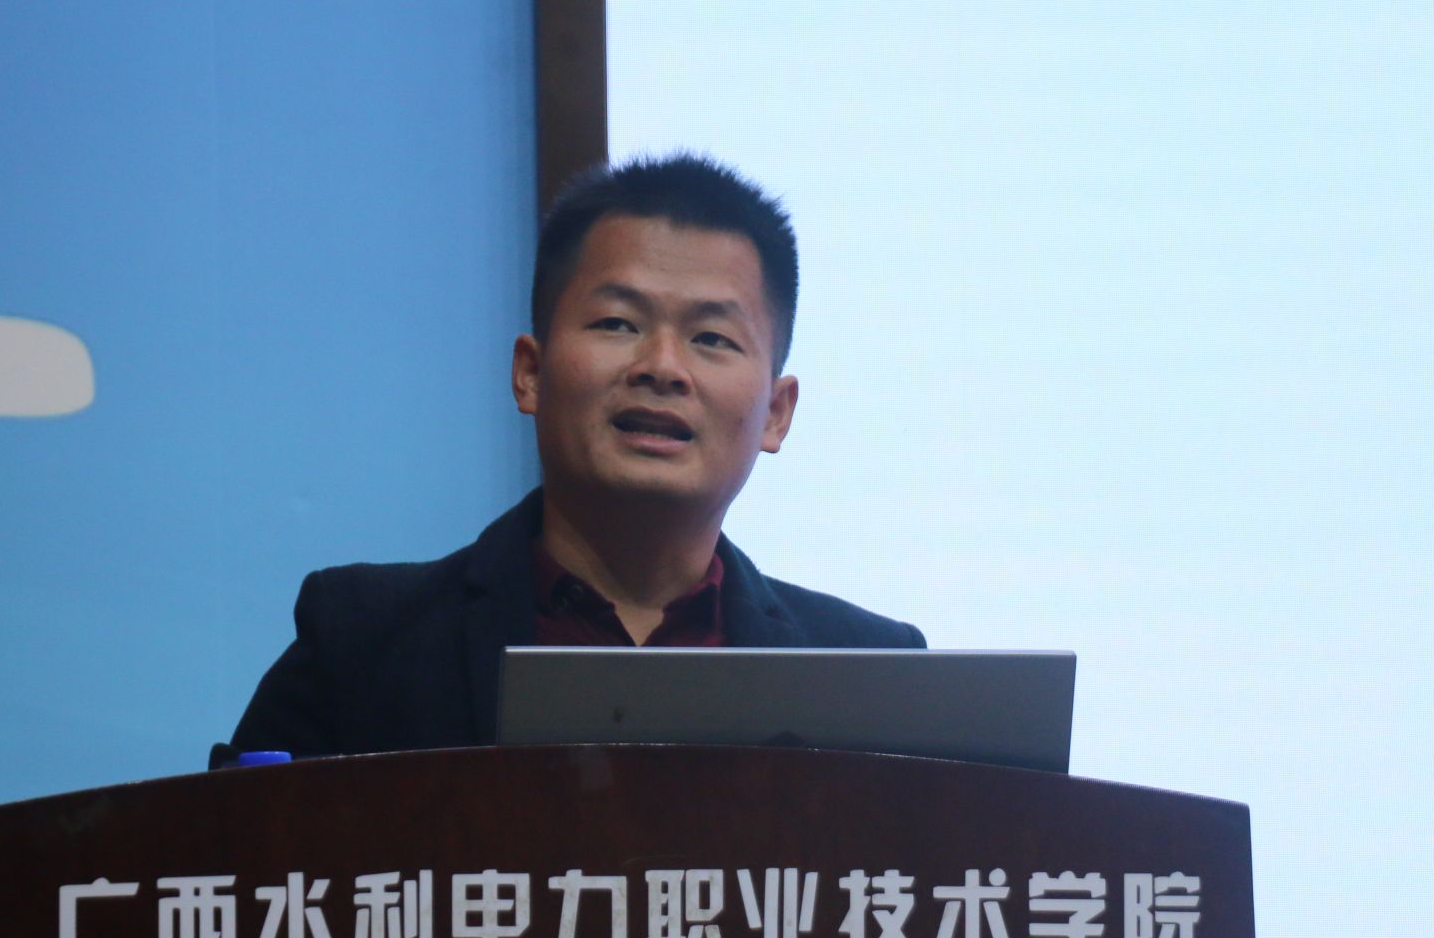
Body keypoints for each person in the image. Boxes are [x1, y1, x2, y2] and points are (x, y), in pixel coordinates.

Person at [213, 154, 923, 766]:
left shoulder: (873, 678)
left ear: (776, 411)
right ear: (530, 373)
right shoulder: (361, 645)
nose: (661, 366)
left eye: (712, 338)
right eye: (617, 323)